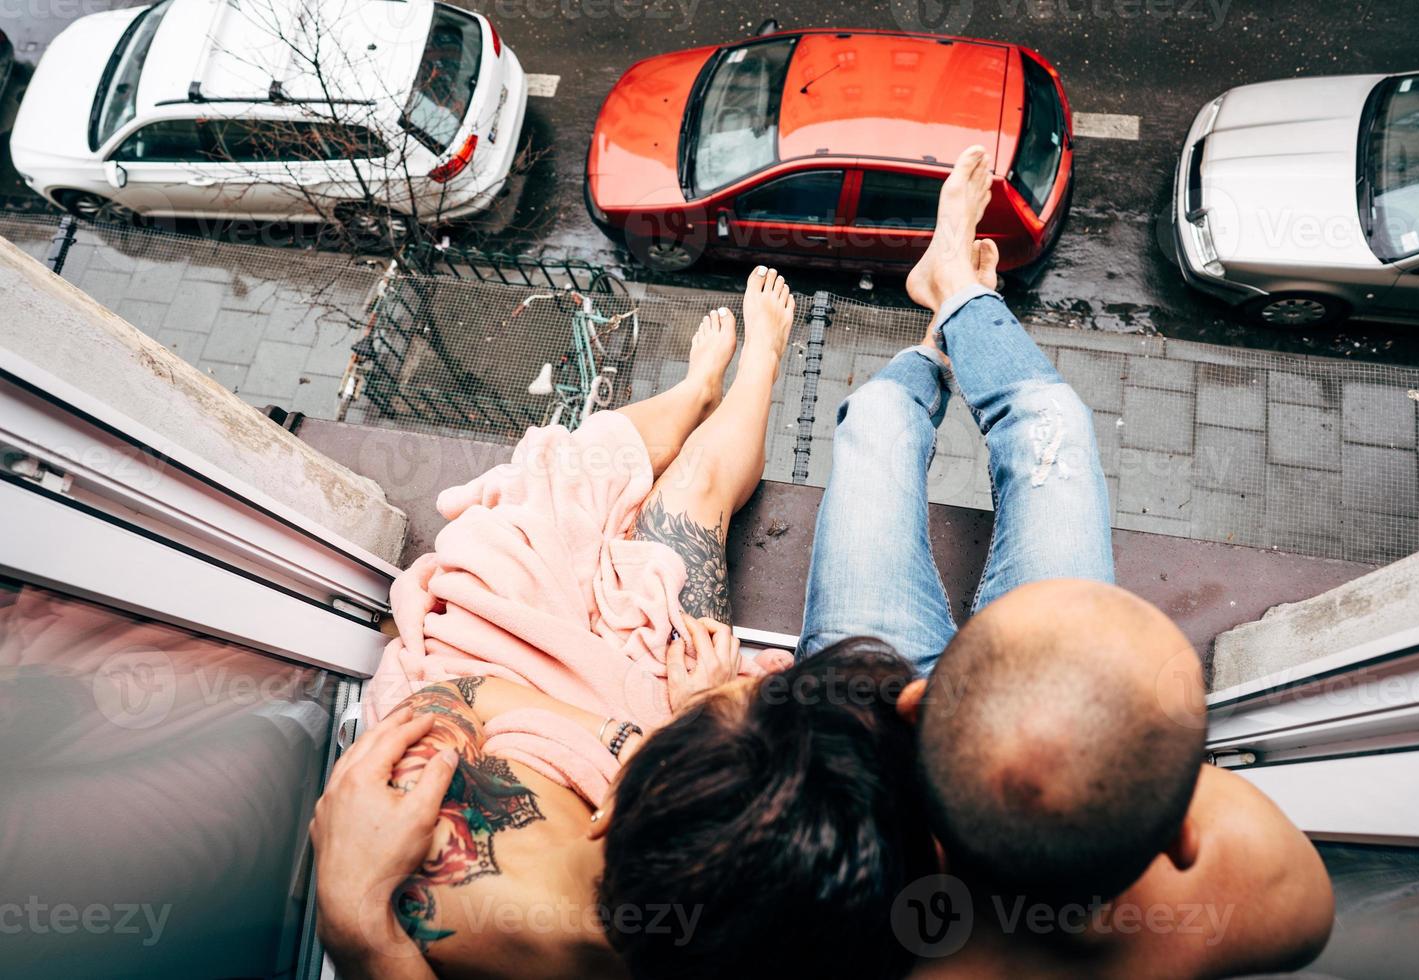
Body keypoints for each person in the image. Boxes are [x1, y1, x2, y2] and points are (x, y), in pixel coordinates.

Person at [594, 145, 1334, 979]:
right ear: (1182, 835)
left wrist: (716, 739)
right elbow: (1295, 895)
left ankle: (940, 333)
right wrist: (1121, 794)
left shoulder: (824, 918)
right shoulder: (1248, 901)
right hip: (981, 749)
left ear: (916, 703)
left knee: (874, 425)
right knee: (1052, 428)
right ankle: (955, 299)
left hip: (871, 749)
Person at [310, 267, 935, 980]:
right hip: (594, 730)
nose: (763, 667)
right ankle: (726, 378)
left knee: (581, 480)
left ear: (615, 809)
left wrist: (359, 929)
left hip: (562, 722)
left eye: (754, 693)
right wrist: (673, 721)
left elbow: (455, 697)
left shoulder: (449, 884)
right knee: (686, 500)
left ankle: (715, 384)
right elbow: (472, 701)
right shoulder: (784, 937)